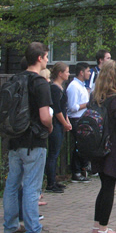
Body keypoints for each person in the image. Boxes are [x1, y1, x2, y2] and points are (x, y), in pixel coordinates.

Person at [2, 42, 58, 233]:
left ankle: (10, 225)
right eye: (46, 56)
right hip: (34, 140)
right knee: (32, 187)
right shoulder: (40, 83)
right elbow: (44, 116)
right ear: (40, 58)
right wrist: (50, 128)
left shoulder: (14, 79)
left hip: (15, 139)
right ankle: (34, 230)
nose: (47, 60)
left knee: (12, 184)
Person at [89, 60, 116, 233]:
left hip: (97, 145)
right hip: (112, 146)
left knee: (103, 186)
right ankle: (104, 228)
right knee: (109, 188)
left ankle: (97, 225)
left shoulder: (96, 97)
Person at [45, 62, 72, 193]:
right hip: (55, 124)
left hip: (60, 123)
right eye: (66, 71)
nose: (68, 74)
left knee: (56, 153)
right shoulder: (54, 89)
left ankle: (54, 180)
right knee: (53, 154)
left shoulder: (61, 88)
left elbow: (64, 108)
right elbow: (56, 110)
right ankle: (50, 183)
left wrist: (67, 121)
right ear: (60, 73)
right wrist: (64, 123)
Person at [67, 62, 92, 182]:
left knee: (83, 145)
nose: (90, 73)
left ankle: (83, 168)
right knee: (78, 146)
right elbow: (72, 107)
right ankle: (76, 172)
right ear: (81, 72)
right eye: (88, 71)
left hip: (83, 118)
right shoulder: (74, 87)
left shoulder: (82, 86)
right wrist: (87, 105)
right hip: (76, 119)